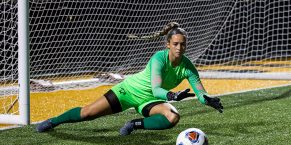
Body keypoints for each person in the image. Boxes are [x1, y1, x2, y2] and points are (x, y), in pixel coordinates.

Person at [36, 22, 223, 136]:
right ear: (168, 45)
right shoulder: (159, 58)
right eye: (175, 44)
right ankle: (54, 121)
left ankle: (134, 124)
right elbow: (157, 88)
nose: (179, 48)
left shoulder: (188, 67)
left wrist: (207, 99)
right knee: (87, 113)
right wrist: (173, 96)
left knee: (173, 117)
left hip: (151, 101)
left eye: (183, 44)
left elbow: (200, 91)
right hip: (129, 92)